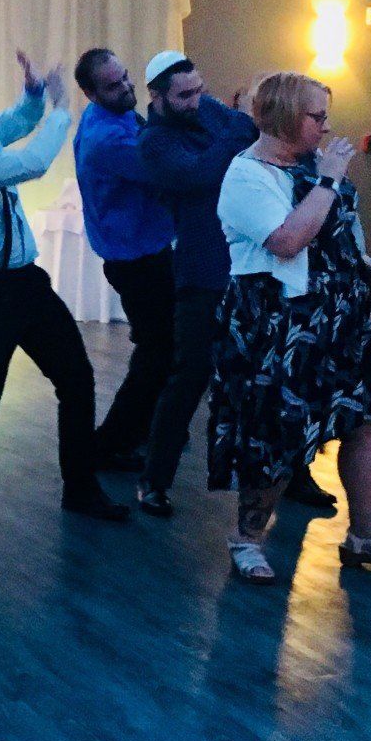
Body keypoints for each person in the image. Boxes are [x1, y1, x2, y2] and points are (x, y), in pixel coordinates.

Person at [210, 72, 371, 584]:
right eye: (315, 116)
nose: (325, 127)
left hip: (342, 317)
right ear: (282, 117)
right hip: (277, 321)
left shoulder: (314, 167)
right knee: (275, 433)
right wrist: (327, 180)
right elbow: (287, 240)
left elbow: (336, 233)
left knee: (366, 422)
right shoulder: (246, 174)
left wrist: (365, 264)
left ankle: (367, 535)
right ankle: (247, 539)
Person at [0, 50, 130, 521]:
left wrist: (36, 91)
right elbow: (32, 162)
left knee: (76, 378)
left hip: (26, 283)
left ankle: (80, 489)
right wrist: (61, 109)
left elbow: (19, 119)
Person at [131, 53, 262, 517]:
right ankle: (154, 480)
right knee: (189, 376)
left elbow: (248, 134)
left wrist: (231, 132)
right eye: (185, 94)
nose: (196, 100)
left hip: (244, 260)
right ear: (158, 96)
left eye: (199, 90)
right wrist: (234, 127)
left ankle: (290, 476)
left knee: (266, 374)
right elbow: (201, 174)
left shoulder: (202, 111)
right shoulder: (153, 142)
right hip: (201, 267)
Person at [71, 48, 176, 473]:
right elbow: (163, 169)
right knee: (157, 349)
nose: (127, 87)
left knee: (160, 346)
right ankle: (111, 443)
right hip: (135, 256)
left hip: (141, 249)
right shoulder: (106, 137)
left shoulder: (110, 119)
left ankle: (141, 430)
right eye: (114, 85)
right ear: (91, 93)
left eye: (126, 77)